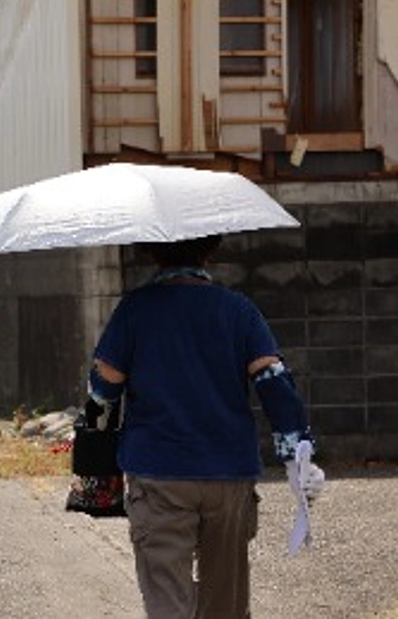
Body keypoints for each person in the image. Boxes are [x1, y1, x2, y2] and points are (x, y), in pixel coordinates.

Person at [87, 234, 325, 618]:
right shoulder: (238, 310)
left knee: (168, 598)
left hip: (158, 472)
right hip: (228, 473)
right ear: (212, 249)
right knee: (226, 603)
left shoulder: (134, 310)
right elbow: (273, 381)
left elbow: (104, 389)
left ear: (150, 250)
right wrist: (297, 456)